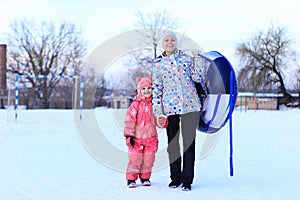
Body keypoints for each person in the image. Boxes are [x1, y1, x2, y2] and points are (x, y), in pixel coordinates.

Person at [152, 32, 207, 191]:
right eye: (166, 40)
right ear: (163, 44)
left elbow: (198, 78)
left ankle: (187, 180)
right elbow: (157, 88)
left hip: (190, 106)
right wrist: (158, 111)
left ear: (176, 42)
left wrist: (198, 60)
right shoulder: (158, 64)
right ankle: (175, 178)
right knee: (173, 145)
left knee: (189, 145)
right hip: (170, 108)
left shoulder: (186, 59)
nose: (170, 42)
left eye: (172, 40)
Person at [124, 76, 166, 188]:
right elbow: (129, 120)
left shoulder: (155, 105)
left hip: (151, 137)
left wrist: (162, 121)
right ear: (139, 90)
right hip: (136, 138)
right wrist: (129, 135)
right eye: (144, 89)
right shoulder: (135, 105)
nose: (146, 90)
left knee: (149, 159)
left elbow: (158, 119)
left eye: (149, 88)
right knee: (135, 159)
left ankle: (145, 177)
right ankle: (131, 179)